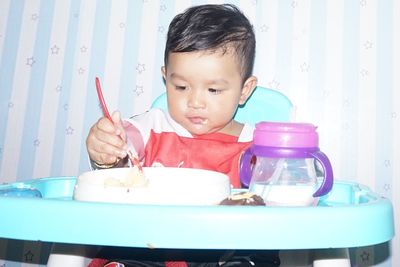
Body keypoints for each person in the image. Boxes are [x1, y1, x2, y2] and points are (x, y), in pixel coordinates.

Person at [86, 4, 280, 267]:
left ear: (244, 90)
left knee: (256, 254)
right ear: (166, 79)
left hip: (223, 250)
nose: (195, 101)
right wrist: (108, 147)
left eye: (213, 90)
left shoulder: (257, 147)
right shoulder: (152, 126)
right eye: (181, 86)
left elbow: (280, 199)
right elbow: (126, 142)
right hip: (150, 247)